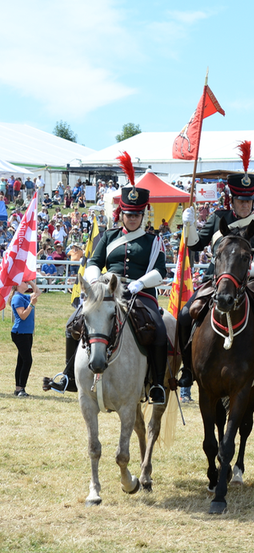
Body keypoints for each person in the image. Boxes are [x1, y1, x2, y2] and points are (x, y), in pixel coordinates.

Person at [43, 153, 169, 404]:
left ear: (143, 214)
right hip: (107, 291)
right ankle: (68, 377)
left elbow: (160, 272)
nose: (132, 218)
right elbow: (92, 263)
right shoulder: (109, 237)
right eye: (128, 213)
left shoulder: (154, 240)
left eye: (136, 214)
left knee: (159, 329)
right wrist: (93, 284)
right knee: (73, 323)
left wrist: (141, 283)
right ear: (121, 213)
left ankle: (156, 385)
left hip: (140, 294)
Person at [177, 141, 254, 393]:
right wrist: (189, 225)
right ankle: (187, 369)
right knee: (184, 315)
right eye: (240, 200)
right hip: (215, 281)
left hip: (248, 283)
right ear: (232, 199)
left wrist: (248, 271)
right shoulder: (218, 218)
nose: (245, 205)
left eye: (249, 201)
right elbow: (195, 245)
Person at [11, 280, 39, 397]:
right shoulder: (17, 298)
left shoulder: (24, 296)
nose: (26, 283)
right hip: (19, 333)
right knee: (27, 360)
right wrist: (31, 304)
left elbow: (38, 292)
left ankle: (18, 388)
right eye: (24, 282)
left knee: (22, 360)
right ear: (17, 285)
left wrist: (31, 282)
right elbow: (22, 316)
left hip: (27, 333)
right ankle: (21, 388)